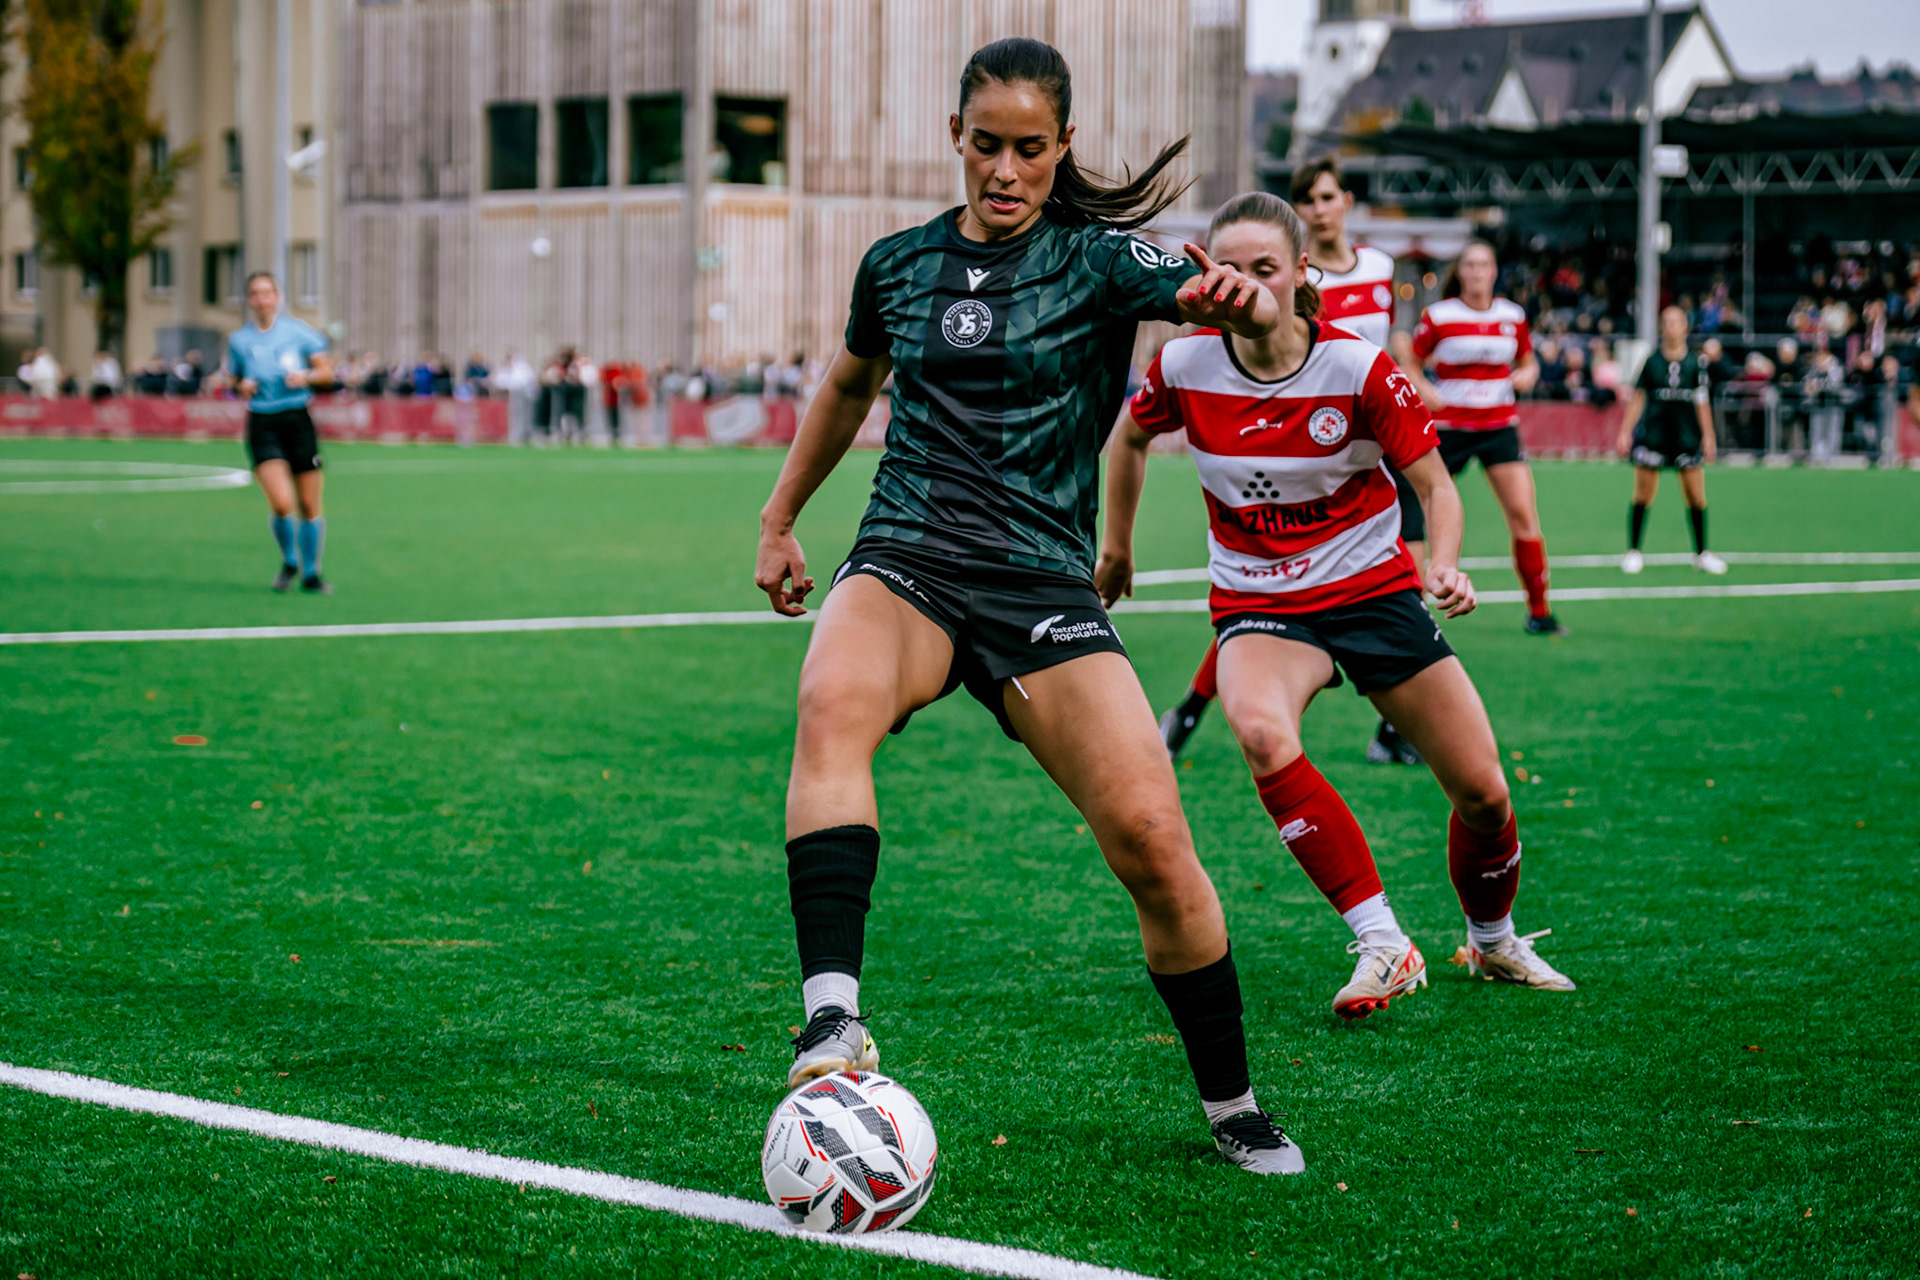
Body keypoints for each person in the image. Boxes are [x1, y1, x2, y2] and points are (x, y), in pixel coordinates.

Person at [753, 36, 1304, 1175]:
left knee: (1153, 839)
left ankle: (1233, 1098)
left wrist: (1243, 307)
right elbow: (850, 384)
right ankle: (831, 1017)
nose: (1006, 171)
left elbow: (1230, 318)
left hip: (1041, 579)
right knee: (831, 701)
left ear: (1063, 150)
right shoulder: (897, 264)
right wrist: (778, 518)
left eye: (1031, 150)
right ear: (956, 138)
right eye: (988, 146)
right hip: (906, 554)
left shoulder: (1103, 262)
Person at [1101, 191, 1573, 1023]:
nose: (1244, 284)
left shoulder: (1356, 368)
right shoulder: (1182, 366)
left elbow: (1433, 485)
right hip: (1261, 602)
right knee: (1258, 731)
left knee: (1484, 794)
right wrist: (1117, 548)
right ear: (1205, 277)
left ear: (1300, 275)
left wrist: (1449, 566)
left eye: (1265, 268)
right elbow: (1131, 437)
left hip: (1375, 592)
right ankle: (1383, 940)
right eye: (1229, 268)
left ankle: (1492, 939)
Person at [1157, 155, 1425, 767]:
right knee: (1265, 597)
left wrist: (1412, 386)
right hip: (1304, 449)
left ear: (1346, 203)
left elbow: (1391, 345)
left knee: (1407, 581)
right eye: (1309, 201)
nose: (1321, 209)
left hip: (1376, 448)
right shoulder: (1278, 279)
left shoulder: (1380, 268)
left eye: (1329, 197)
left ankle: (1394, 728)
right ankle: (1194, 709)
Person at [1394, 240, 1565, 636]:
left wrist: (1528, 374)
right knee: (1417, 512)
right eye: (1469, 265)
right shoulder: (1439, 316)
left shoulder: (1513, 315)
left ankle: (1539, 612)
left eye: (1483, 264)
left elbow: (1528, 361)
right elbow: (1411, 363)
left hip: (1499, 428)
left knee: (1524, 515)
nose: (1476, 272)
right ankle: (1414, 611)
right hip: (1448, 429)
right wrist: (1421, 387)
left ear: (1493, 272)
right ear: (1461, 272)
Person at [225, 270, 335, 593]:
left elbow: (326, 371)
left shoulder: (299, 333)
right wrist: (240, 386)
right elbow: (232, 380)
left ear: (278, 297)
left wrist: (307, 377)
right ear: (249, 300)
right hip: (262, 422)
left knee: (310, 504)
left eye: (266, 293)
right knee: (282, 502)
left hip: (297, 420)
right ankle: (289, 560)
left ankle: (311, 573)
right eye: (255, 294)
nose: (261, 299)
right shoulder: (239, 340)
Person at [1616, 306, 1726, 575]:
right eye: (1666, 322)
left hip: (1686, 438)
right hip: (1654, 436)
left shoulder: (1695, 364)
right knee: (1643, 493)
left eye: (1676, 322)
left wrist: (1709, 437)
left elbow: (1702, 402)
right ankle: (1633, 551)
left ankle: (1702, 553)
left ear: (1685, 327)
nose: (1671, 327)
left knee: (1696, 496)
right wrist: (1625, 431)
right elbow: (1639, 397)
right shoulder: (1651, 361)